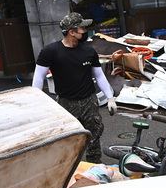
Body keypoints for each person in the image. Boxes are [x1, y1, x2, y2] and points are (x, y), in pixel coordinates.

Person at [32, 12, 116, 163]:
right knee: (68, 138)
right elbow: (38, 76)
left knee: (94, 133)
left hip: (89, 100)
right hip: (66, 102)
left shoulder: (89, 51)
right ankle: (69, 168)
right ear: (72, 32)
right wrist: (37, 103)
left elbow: (99, 75)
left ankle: (94, 165)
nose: (85, 31)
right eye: (82, 29)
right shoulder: (50, 52)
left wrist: (110, 97)